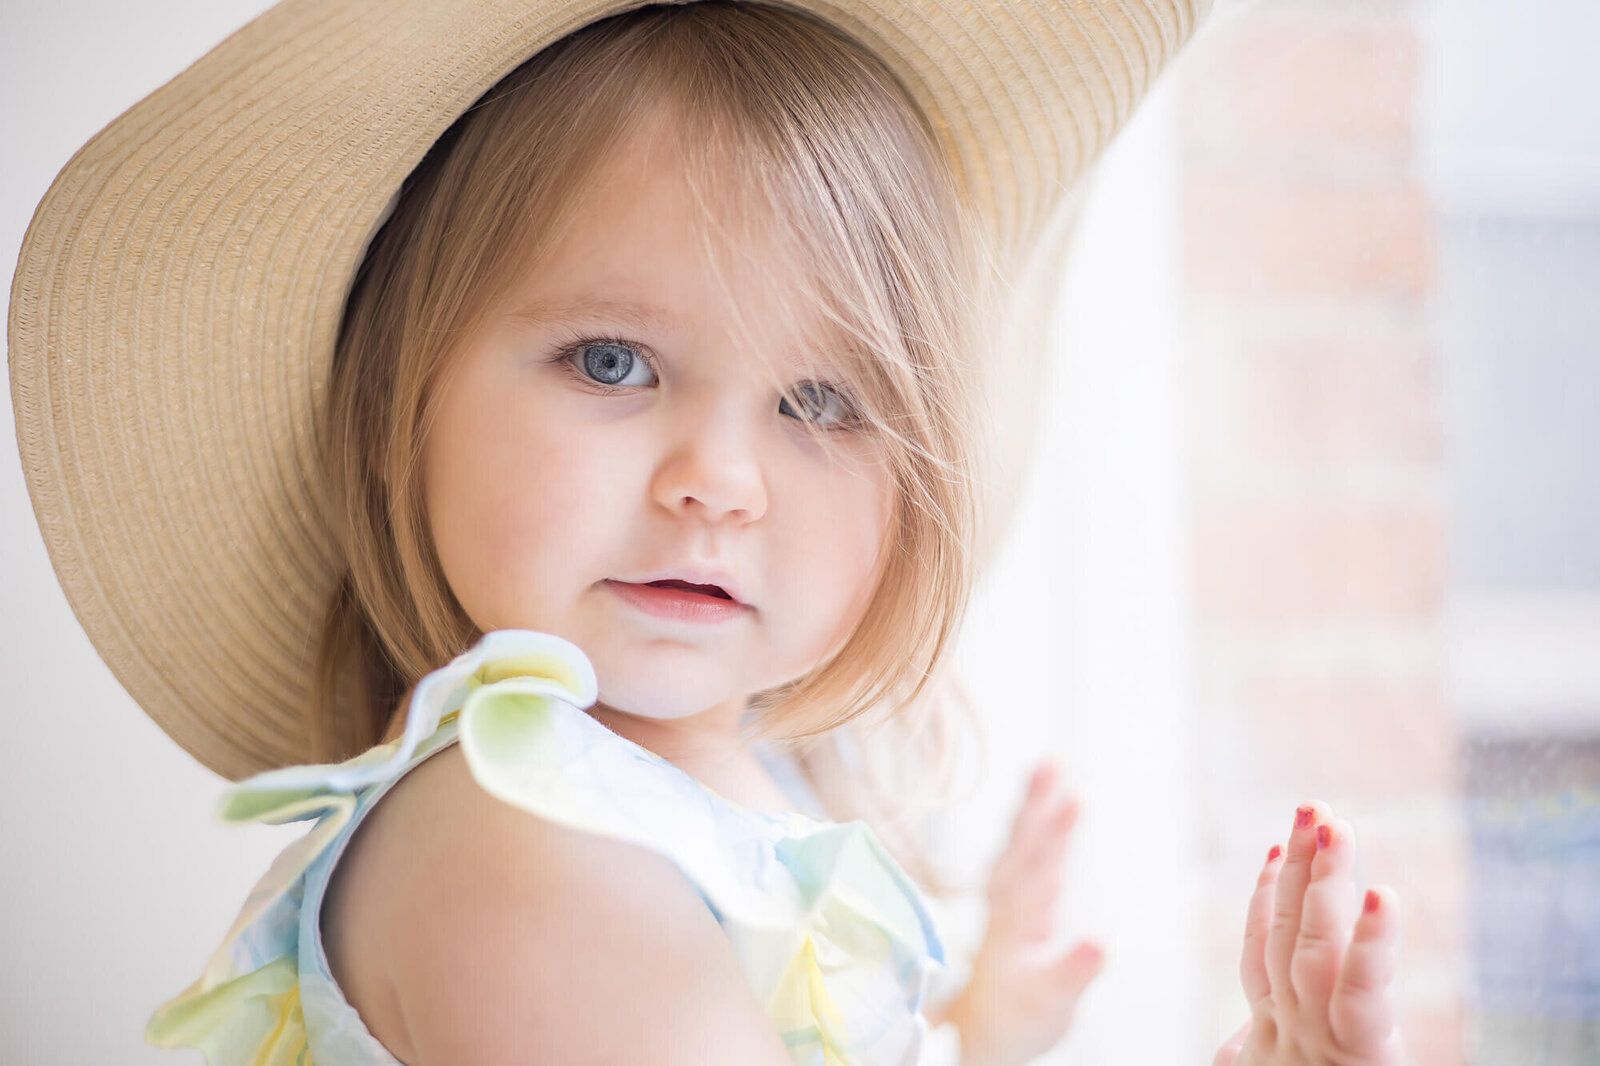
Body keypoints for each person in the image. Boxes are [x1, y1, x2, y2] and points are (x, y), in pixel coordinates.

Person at [8, 2, 1406, 1064]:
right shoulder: (517, 837)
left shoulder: (722, 805)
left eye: (819, 399)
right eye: (611, 361)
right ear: (398, 407)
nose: (720, 481)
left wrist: (965, 1027)